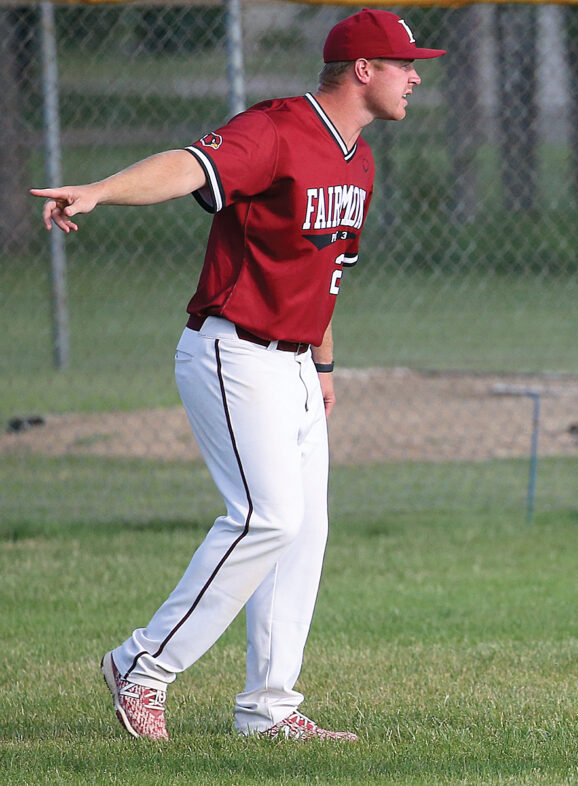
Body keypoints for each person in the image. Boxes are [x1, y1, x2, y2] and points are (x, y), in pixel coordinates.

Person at [30, 8, 444, 742]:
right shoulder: (279, 128)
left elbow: (322, 274)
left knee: (304, 529)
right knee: (265, 517)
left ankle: (268, 708)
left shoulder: (361, 160)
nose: (417, 76)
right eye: (406, 63)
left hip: (293, 362)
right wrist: (99, 189)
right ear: (363, 70)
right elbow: (189, 164)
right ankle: (142, 666)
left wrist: (322, 363)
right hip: (232, 350)